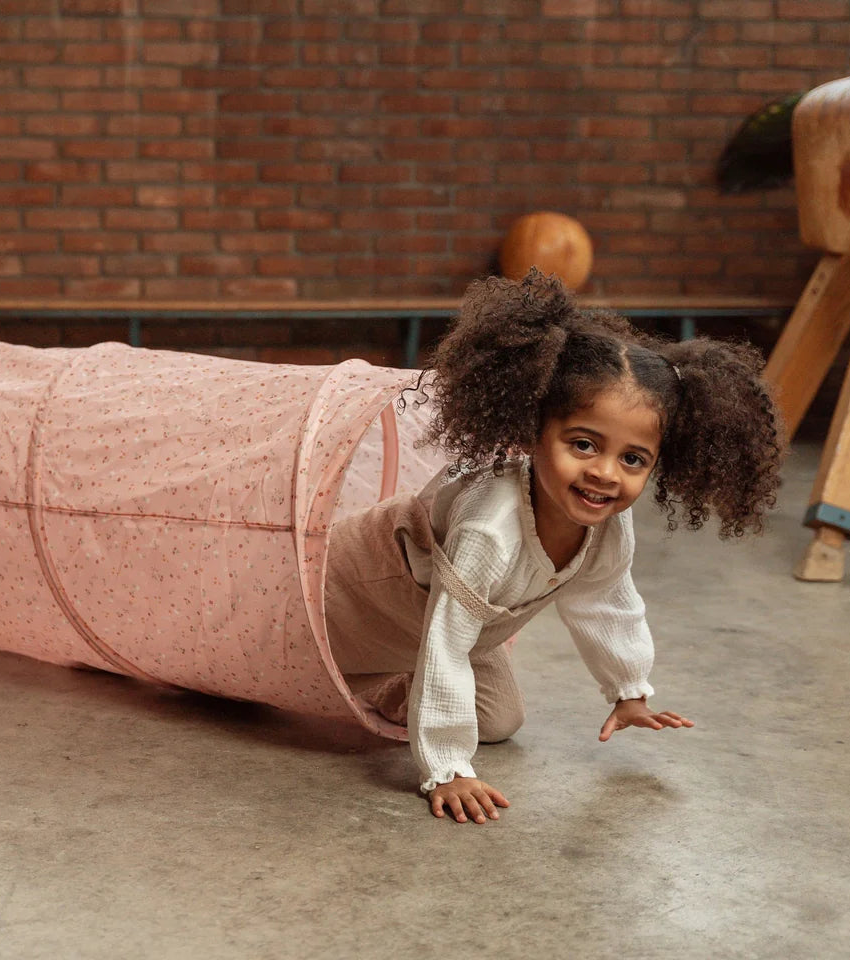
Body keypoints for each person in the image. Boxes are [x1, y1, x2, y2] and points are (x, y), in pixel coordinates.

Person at [324, 268, 783, 824]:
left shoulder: (607, 524)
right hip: (359, 593)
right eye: (583, 444)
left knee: (497, 723)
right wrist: (448, 768)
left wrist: (627, 689)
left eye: (633, 459)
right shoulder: (488, 527)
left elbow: (608, 600)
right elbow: (445, 639)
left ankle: (387, 681)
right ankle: (356, 675)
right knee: (317, 665)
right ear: (532, 432)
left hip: (460, 625)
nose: (605, 474)